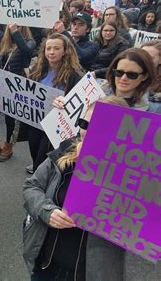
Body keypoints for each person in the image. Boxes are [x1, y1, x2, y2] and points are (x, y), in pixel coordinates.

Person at [23, 96, 158, 281]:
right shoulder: (65, 150)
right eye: (84, 123)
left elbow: (143, 231)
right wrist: (46, 210)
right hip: (47, 265)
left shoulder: (136, 177)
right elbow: (32, 186)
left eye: (99, 125)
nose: (86, 131)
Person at [25, 33, 83, 174]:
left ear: (65, 51)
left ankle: (40, 184)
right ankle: (38, 173)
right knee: (34, 151)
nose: (51, 52)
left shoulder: (74, 75)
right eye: (48, 48)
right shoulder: (37, 71)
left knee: (43, 159)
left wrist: (66, 102)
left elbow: (80, 103)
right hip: (36, 122)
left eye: (56, 48)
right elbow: (26, 92)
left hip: (56, 125)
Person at [0, 23, 36, 161]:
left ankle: (8, 148)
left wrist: (15, 32)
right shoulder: (7, 44)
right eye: (14, 27)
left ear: (24, 27)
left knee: (9, 120)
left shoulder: (29, 42)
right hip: (2, 84)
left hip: (16, 88)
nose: (16, 29)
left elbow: (26, 51)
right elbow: (0, 65)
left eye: (19, 27)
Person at [104, 47, 159, 113]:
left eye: (132, 74)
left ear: (144, 76)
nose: (123, 78)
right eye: (119, 72)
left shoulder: (154, 110)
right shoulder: (95, 94)